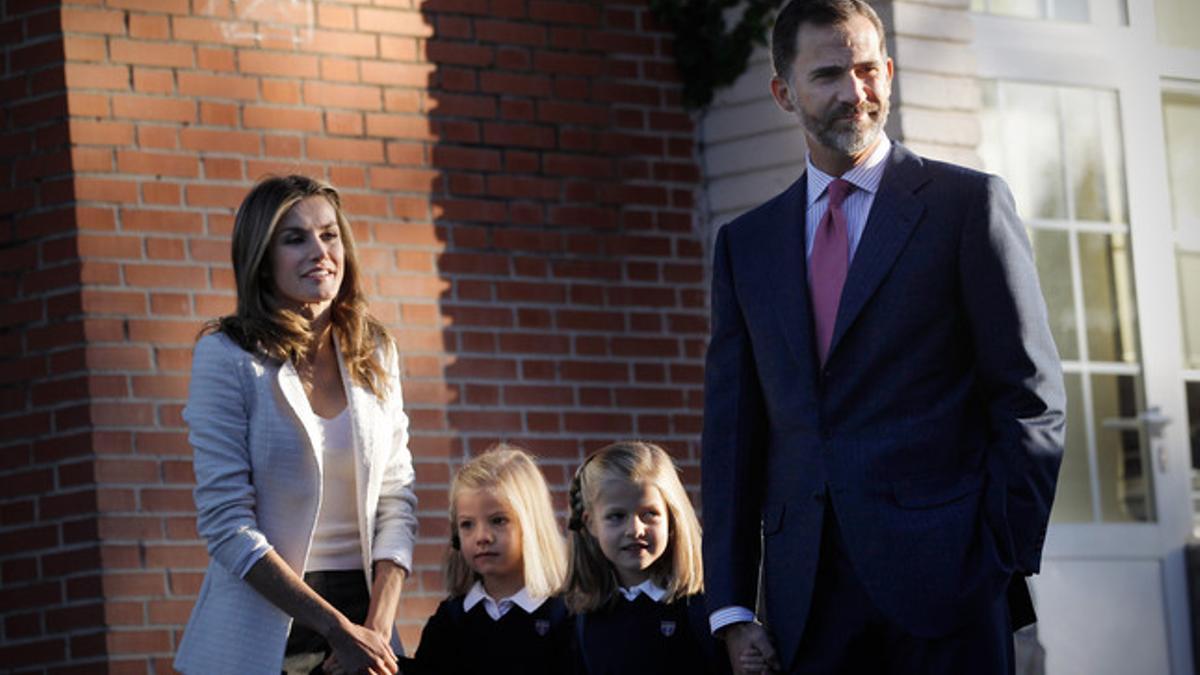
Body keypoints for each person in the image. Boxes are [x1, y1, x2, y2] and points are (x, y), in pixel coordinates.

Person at [700, 1, 1067, 673]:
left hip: (948, 588)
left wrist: (997, 555)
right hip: (805, 599)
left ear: (891, 74)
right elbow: (732, 438)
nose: (854, 92)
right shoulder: (744, 247)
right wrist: (731, 604)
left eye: (868, 70)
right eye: (829, 74)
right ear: (784, 92)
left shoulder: (966, 208)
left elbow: (1030, 397)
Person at [173, 175, 419, 675]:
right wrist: (334, 629)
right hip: (263, 627)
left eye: (329, 235)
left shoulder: (375, 351)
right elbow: (227, 525)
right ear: (262, 261)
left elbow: (397, 497)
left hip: (367, 619)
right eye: (295, 238)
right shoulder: (226, 356)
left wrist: (372, 630)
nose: (319, 251)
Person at [564, 441, 731, 675]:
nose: (634, 529)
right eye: (616, 516)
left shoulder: (704, 608)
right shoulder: (581, 617)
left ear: (671, 517)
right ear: (590, 522)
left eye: (649, 514)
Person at [407, 445, 570, 675]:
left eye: (498, 521)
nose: (482, 537)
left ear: (531, 524)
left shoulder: (567, 614)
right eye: (467, 524)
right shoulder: (450, 619)